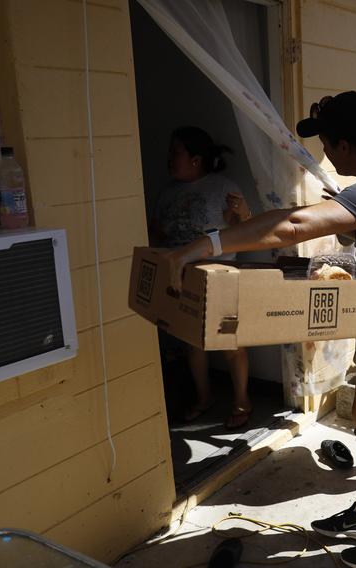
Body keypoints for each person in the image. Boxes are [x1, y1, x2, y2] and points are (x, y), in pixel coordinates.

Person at [163, 92, 356, 568]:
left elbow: (293, 225)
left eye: (327, 144)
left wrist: (203, 244)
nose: (325, 156)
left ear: (345, 144)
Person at [151, 126, 253, 428]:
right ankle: (204, 396)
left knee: (231, 342)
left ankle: (242, 401)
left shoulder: (223, 187)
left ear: (196, 159)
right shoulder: (167, 191)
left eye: (176, 153)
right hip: (180, 276)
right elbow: (156, 231)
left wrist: (244, 212)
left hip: (218, 275)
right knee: (191, 342)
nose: (170, 159)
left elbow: (245, 228)